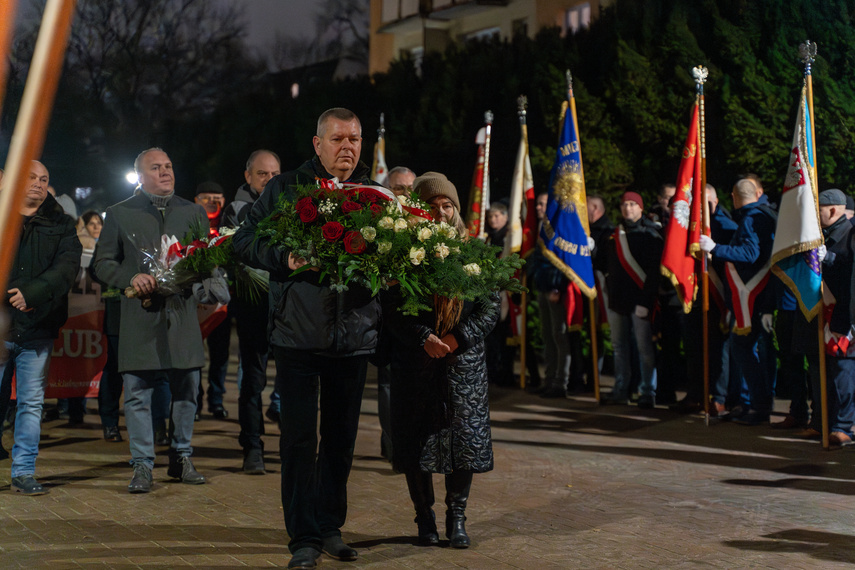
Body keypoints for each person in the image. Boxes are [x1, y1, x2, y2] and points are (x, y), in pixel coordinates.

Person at [232, 108, 380, 569]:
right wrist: (285, 256)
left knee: (341, 438)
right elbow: (243, 240)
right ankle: (303, 536)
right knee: (298, 440)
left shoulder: (374, 195)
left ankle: (331, 526)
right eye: (338, 138)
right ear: (317, 144)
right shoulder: (285, 188)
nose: (348, 147)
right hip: (298, 334)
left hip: (353, 334)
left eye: (354, 139)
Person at [385, 171, 498, 549]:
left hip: (462, 365)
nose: (441, 211)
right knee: (417, 442)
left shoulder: (476, 251)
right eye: (431, 206)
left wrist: (455, 338)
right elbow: (394, 308)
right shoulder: (402, 252)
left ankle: (457, 517)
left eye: (447, 204)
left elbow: (489, 308)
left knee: (463, 441)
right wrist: (424, 337)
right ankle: (424, 518)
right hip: (418, 364)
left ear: (456, 209)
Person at [93, 148, 213, 493]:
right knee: (137, 394)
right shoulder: (119, 214)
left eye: (169, 166)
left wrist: (200, 276)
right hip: (139, 318)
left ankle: (181, 456)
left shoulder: (194, 213)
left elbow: (206, 260)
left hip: (182, 317)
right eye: (156, 168)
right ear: (140, 177)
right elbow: (102, 263)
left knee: (188, 390)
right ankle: (143, 465)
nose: (165, 172)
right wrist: (131, 278)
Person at [0, 160, 81, 494]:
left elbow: (67, 269)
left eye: (44, 178)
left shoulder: (62, 223)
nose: (37, 182)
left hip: (38, 328)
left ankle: (23, 471)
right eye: (31, 177)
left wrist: (32, 294)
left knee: (31, 404)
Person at [699, 178, 777, 425]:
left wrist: (715, 248)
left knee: (741, 348)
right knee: (756, 352)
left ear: (733, 197)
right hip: (763, 298)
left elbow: (749, 254)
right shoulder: (767, 214)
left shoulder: (751, 219)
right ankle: (754, 404)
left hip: (754, 297)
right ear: (759, 193)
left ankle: (758, 406)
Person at [222, 149, 282, 430]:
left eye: (275, 174)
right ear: (248, 176)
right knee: (253, 378)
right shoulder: (236, 210)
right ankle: (251, 445)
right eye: (262, 174)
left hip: (286, 309)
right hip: (253, 308)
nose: (269, 179)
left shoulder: (291, 207)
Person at [601, 191, 663, 408]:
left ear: (640, 208)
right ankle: (621, 389)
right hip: (617, 300)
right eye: (625, 204)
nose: (628, 208)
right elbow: (603, 263)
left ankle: (647, 391)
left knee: (644, 348)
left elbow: (655, 273)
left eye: (632, 204)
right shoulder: (613, 236)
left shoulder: (651, 235)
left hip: (640, 302)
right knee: (619, 347)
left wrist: (646, 302)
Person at [804, 189, 854, 445]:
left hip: (845, 313)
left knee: (843, 372)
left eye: (819, 208)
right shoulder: (827, 235)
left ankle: (845, 425)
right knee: (830, 371)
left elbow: (850, 270)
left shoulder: (849, 233)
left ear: (833, 209)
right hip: (828, 312)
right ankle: (827, 421)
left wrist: (830, 258)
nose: (815, 214)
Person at [375, 164, 417, 462]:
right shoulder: (375, 221)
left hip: (415, 317)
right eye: (400, 188)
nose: (406, 194)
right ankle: (393, 446)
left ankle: (400, 440)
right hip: (384, 315)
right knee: (387, 382)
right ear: (389, 190)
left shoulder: (425, 223)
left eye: (410, 188)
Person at [194, 181, 230, 420]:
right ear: (196, 200)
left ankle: (216, 401)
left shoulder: (230, 225)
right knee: (195, 354)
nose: (212, 202)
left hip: (222, 301)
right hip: (195, 299)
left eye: (217, 197)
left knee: (220, 354)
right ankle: (194, 401)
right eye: (206, 197)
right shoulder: (190, 224)